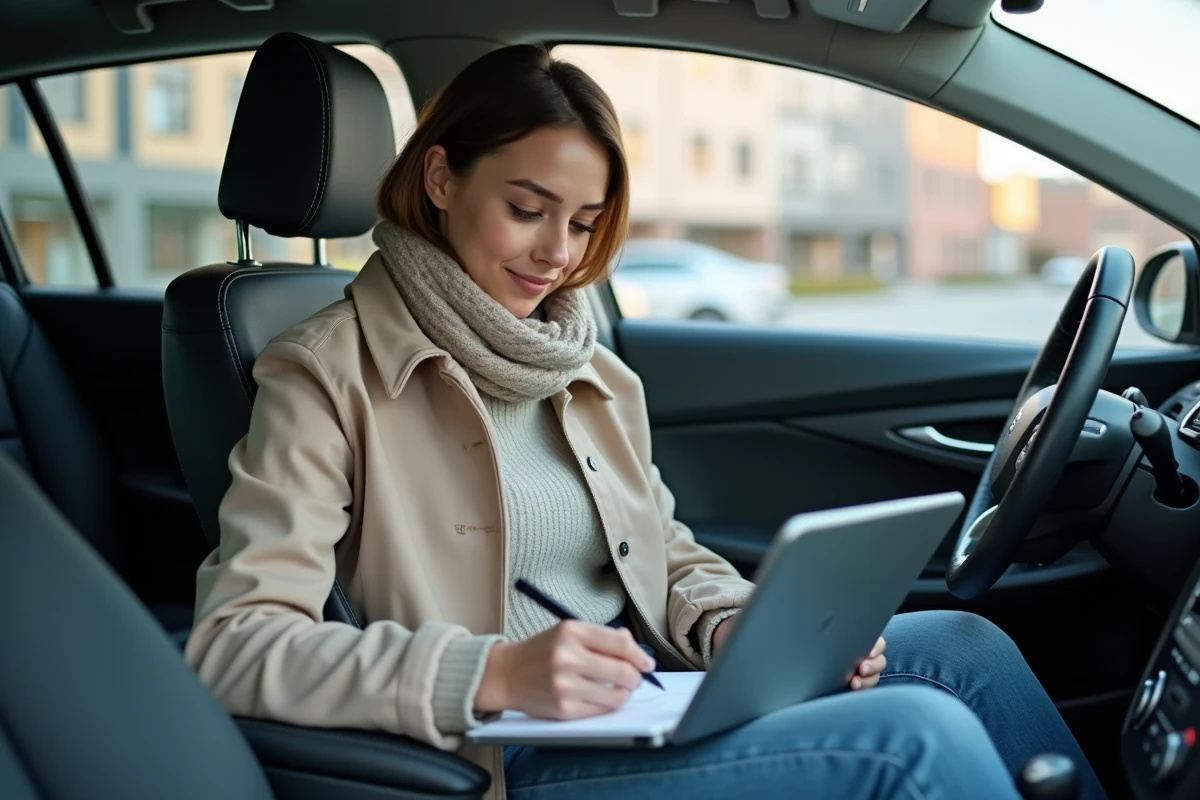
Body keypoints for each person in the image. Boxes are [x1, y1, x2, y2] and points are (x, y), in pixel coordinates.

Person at [184, 44, 1106, 800]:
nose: (557, 253)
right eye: (526, 210)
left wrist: (735, 627)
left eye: (585, 223)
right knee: (914, 737)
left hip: (643, 694)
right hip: (505, 752)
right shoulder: (323, 370)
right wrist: (492, 675)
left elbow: (661, 553)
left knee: (964, 649)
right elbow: (234, 646)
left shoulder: (584, 368)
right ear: (439, 178)